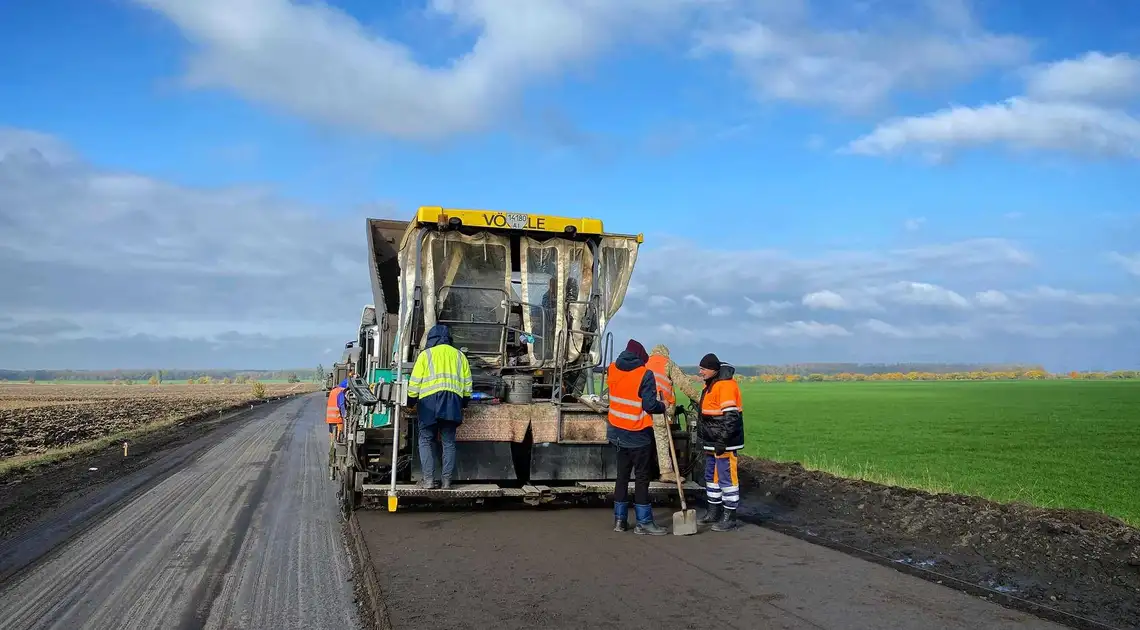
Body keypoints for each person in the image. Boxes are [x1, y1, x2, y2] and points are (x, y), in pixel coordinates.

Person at [607, 339, 668, 535]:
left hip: (617, 432)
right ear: (641, 358)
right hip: (638, 433)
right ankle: (644, 522)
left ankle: (620, 521)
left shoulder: (612, 368)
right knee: (642, 478)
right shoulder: (645, 374)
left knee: (622, 477)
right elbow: (649, 406)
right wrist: (663, 406)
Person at [406, 324, 473, 489]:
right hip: (452, 402)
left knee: (425, 440)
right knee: (448, 442)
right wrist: (464, 402)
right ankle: (446, 482)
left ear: (431, 339)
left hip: (429, 403)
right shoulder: (460, 356)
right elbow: (467, 384)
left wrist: (410, 402)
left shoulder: (425, 355)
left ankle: (428, 480)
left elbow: (415, 383)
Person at [694, 353, 745, 532]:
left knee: (727, 479)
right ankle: (713, 512)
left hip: (723, 443)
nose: (700, 372)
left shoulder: (725, 386)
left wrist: (722, 440)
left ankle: (729, 517)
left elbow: (731, 417)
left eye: (703, 369)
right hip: (711, 442)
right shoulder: (711, 385)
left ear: (713, 370)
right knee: (712, 477)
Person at [647, 345, 704, 482]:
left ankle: (646, 472)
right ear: (666, 354)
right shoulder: (668, 364)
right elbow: (684, 384)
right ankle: (666, 472)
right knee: (662, 439)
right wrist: (700, 400)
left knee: (647, 440)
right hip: (661, 407)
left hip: (644, 408)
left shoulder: (645, 363)